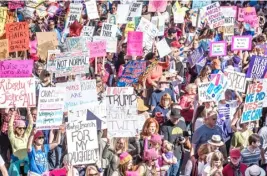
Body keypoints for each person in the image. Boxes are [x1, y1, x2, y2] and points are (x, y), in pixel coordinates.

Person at [161, 108, 187, 176]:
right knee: (169, 173)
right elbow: (165, 141)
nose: (177, 120)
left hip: (180, 153)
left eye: (178, 118)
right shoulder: (165, 126)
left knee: (177, 173)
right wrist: (170, 152)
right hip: (169, 155)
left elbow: (186, 136)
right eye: (175, 118)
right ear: (170, 116)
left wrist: (184, 140)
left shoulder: (182, 124)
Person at [8, 108, 33, 176]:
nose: (22, 130)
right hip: (16, 163)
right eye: (20, 128)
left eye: (23, 128)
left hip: (25, 163)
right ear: (15, 128)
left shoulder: (26, 136)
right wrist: (14, 113)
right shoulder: (12, 137)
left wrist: (28, 111)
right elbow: (10, 126)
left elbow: (31, 124)